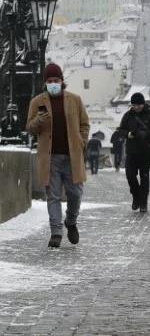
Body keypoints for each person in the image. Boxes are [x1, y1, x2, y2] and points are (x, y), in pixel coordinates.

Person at [25, 63, 90, 248]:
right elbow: (29, 128)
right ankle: (56, 232)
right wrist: (38, 120)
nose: (53, 84)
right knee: (53, 196)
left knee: (75, 194)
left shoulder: (75, 100)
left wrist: (81, 141)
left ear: (62, 81)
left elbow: (84, 124)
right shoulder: (37, 102)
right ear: (45, 83)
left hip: (72, 156)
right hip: (50, 157)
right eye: (49, 81)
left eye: (56, 80)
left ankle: (71, 221)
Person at [116, 93, 150, 213]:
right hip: (131, 151)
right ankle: (136, 196)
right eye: (134, 105)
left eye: (139, 105)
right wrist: (129, 134)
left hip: (146, 150)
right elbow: (121, 130)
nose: (137, 107)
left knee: (144, 178)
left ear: (143, 103)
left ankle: (143, 203)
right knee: (130, 176)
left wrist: (146, 134)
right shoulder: (128, 115)